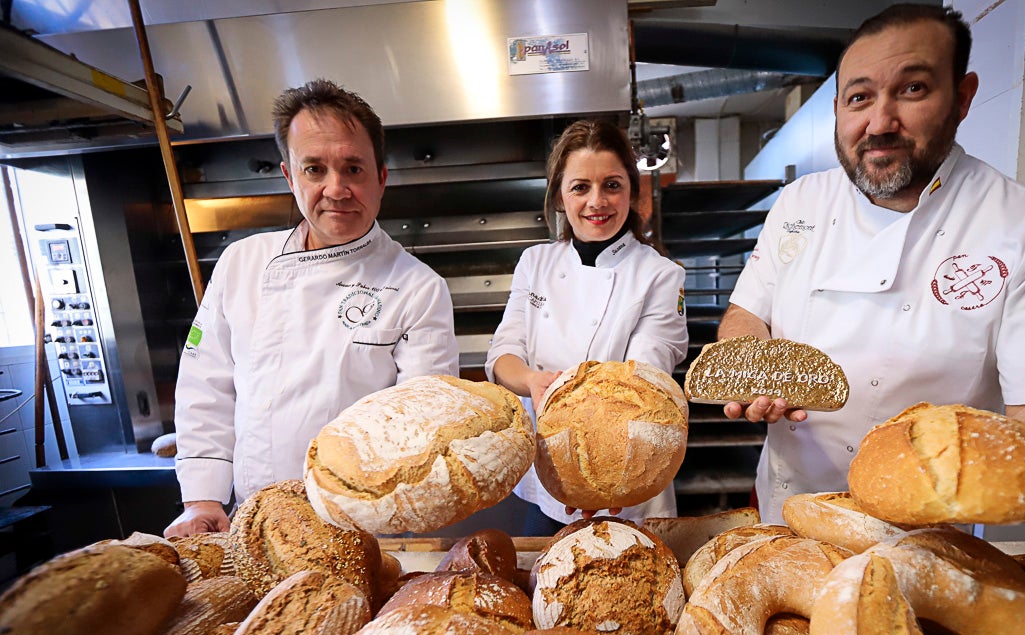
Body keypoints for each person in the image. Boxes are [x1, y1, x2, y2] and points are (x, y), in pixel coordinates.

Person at [719, 4, 1025, 525]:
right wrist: (750, 366)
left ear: (963, 97)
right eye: (860, 98)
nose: (880, 123)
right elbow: (746, 315)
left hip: (924, 532)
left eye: (912, 90)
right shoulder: (799, 203)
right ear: (838, 107)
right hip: (788, 508)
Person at [165, 79, 459, 538]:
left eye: (354, 169)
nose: (336, 189)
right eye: (315, 169)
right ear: (290, 176)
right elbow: (207, 385)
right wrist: (202, 498)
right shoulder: (241, 263)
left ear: (381, 177)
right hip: (253, 519)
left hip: (363, 529)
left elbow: (420, 430)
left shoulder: (419, 288)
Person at [486, 119, 689, 535]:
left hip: (628, 481)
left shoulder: (661, 275)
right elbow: (503, 354)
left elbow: (644, 382)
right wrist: (532, 381)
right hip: (546, 476)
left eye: (612, 185)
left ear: (632, 191)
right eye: (581, 187)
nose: (598, 201)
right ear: (560, 195)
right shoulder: (535, 263)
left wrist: (607, 480)